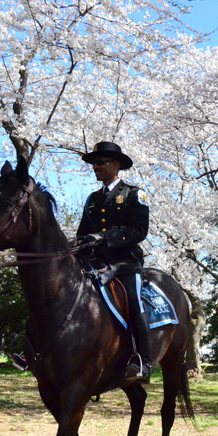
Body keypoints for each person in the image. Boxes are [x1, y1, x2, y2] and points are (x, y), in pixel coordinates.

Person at [76, 141, 152, 383]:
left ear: (116, 165)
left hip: (125, 263)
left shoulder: (133, 194)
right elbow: (82, 233)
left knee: (133, 301)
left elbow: (139, 231)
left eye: (100, 162)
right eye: (93, 163)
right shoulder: (91, 199)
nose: (95, 167)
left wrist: (105, 237)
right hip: (94, 263)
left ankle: (143, 360)